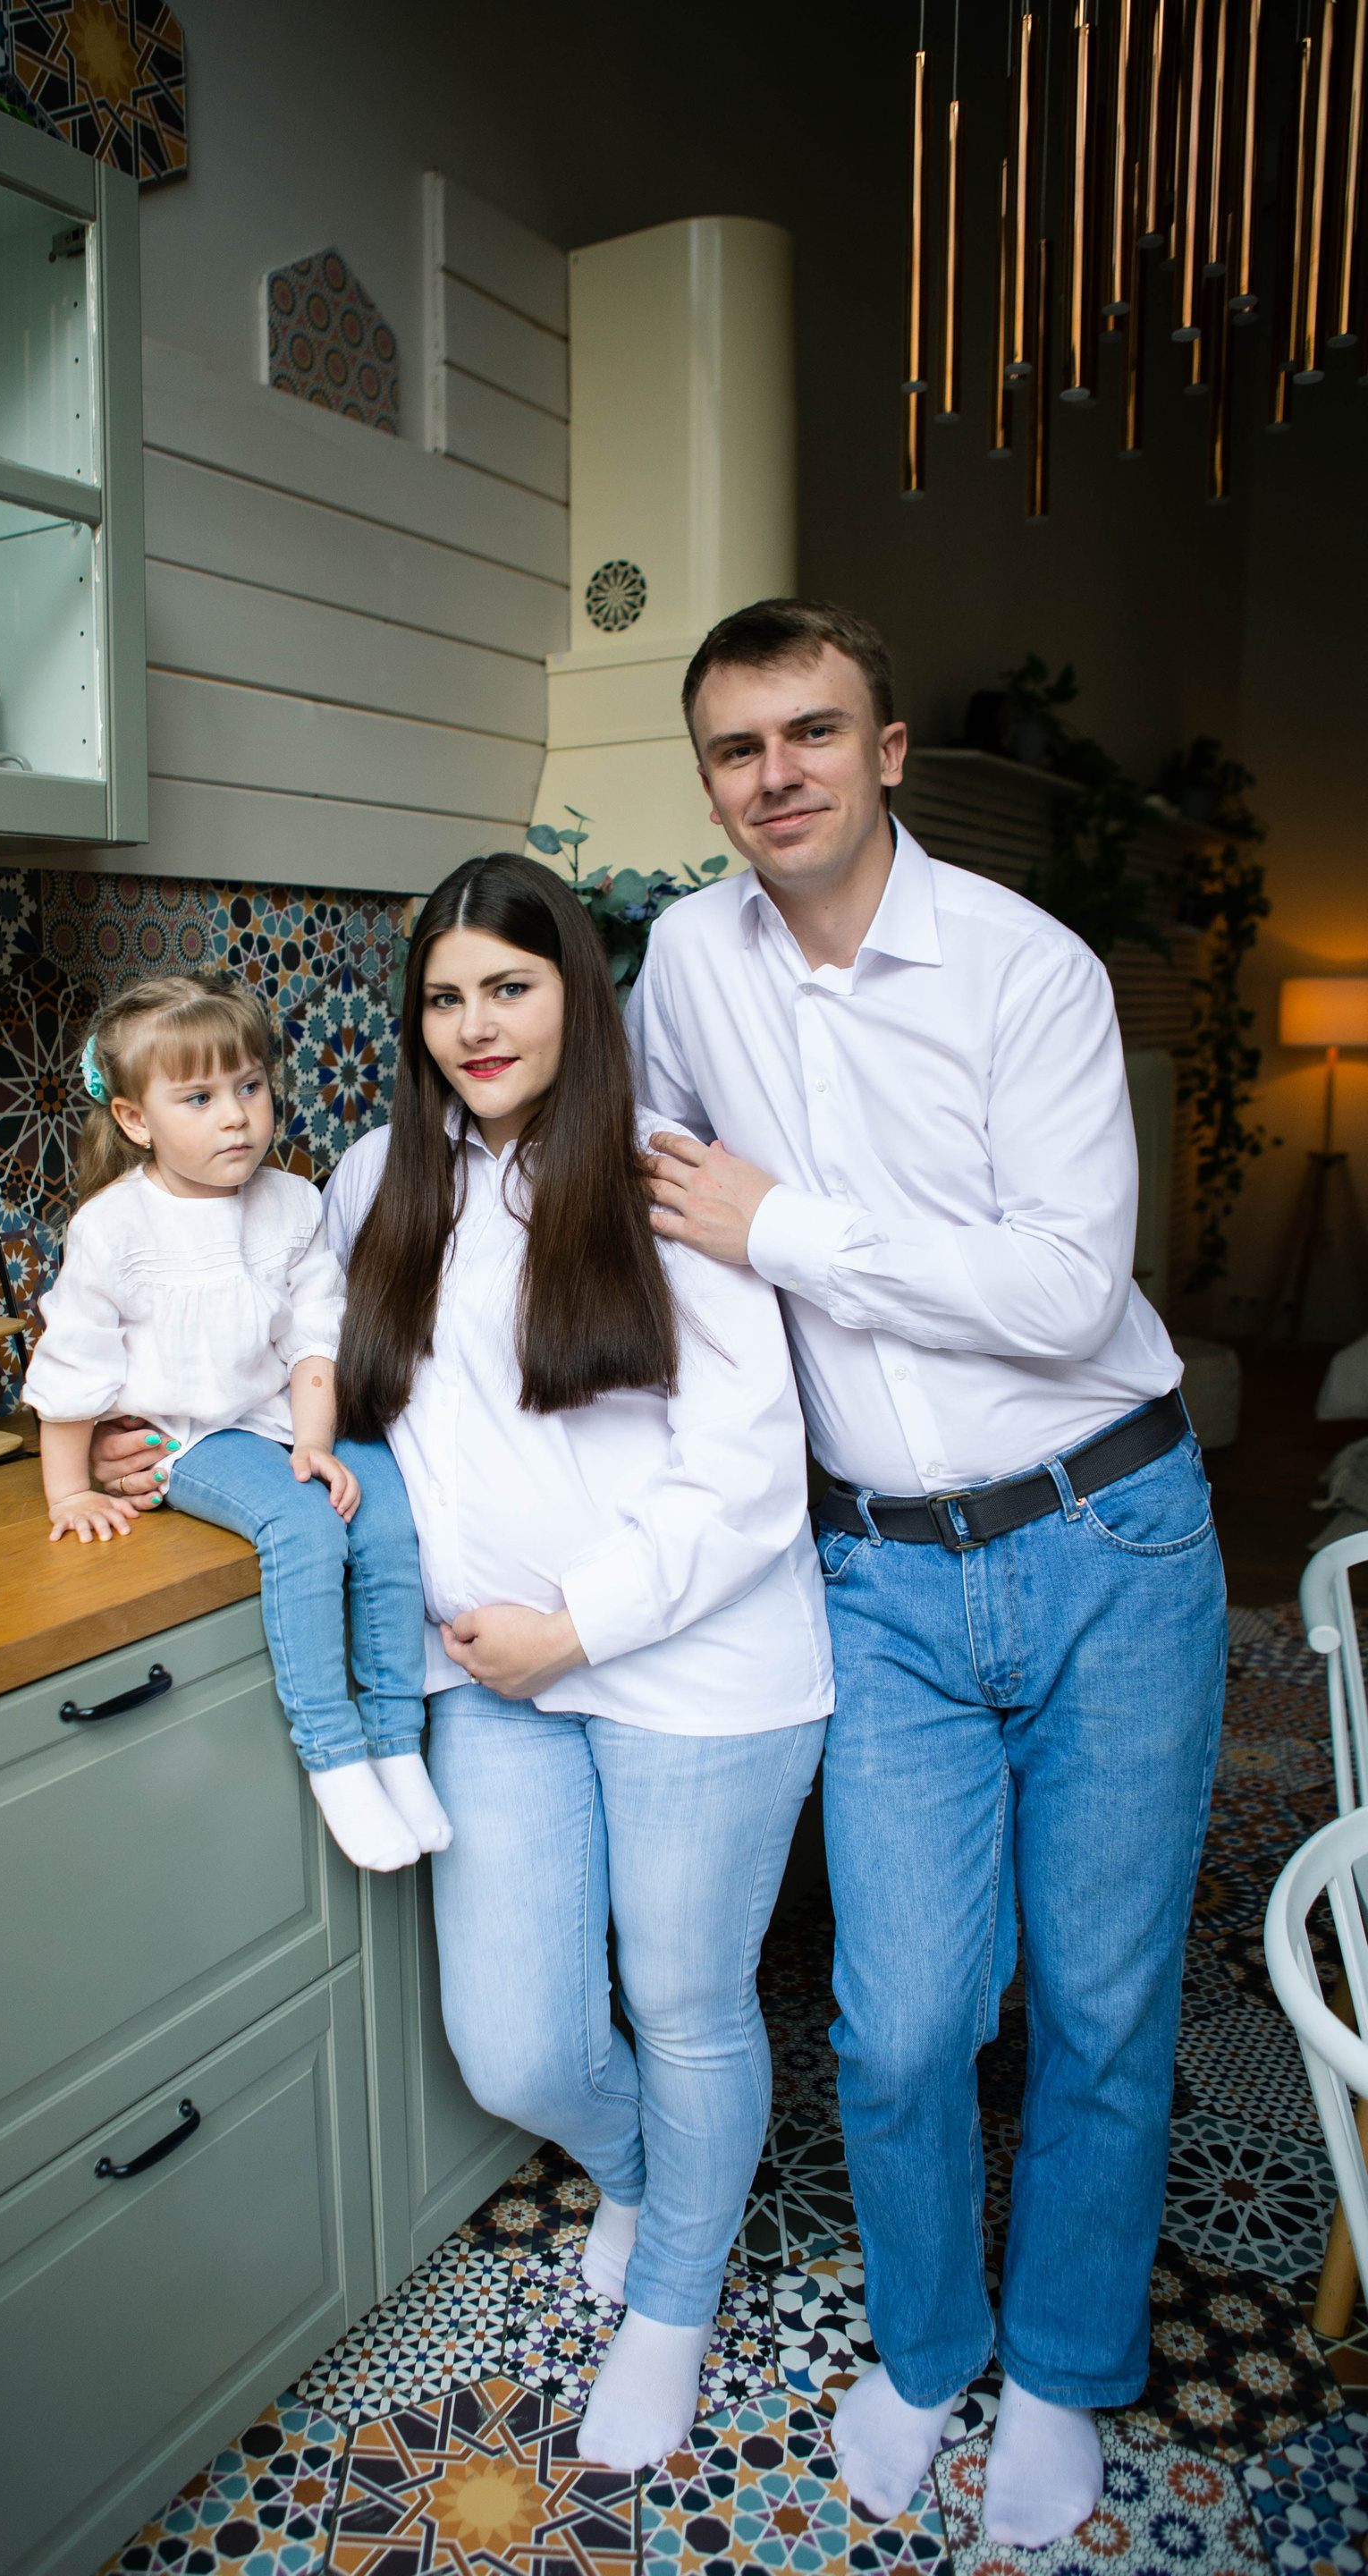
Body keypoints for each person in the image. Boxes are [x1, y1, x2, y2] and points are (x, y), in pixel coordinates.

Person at [626, 597, 1227, 2547]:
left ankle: (1061, 2367)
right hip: (878, 1577)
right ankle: (926, 2344)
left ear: (886, 753)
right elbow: (620, 1189)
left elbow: (1065, 1293)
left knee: (1104, 2003)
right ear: (709, 781)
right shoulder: (684, 965)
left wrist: (785, 1225)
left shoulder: (1026, 969)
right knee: (898, 2022)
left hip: (1109, 1536)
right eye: (737, 748)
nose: (776, 774)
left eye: (812, 732)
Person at [322, 853, 832, 2472]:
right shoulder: (375, 1181)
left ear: (576, 996)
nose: (475, 1025)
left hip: (696, 1665)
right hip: (496, 1680)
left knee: (685, 2002)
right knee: (518, 2042)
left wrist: (577, 1621)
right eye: (445, 997)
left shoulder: (662, 1175)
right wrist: (151, 1439)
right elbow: (304, 1371)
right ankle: (649, 2176)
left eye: (510, 987)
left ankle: (677, 2297)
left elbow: (748, 1467)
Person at [24, 973, 447, 1875]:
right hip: (192, 1437)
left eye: (250, 1086)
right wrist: (68, 1490)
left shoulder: (293, 1203)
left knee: (384, 1513)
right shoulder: (113, 1227)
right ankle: (334, 1757)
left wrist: (318, 1442)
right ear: (135, 1119)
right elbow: (74, 1362)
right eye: (199, 1098)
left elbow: (316, 1338)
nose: (236, 1118)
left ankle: (396, 1743)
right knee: (303, 1526)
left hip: (286, 1415)